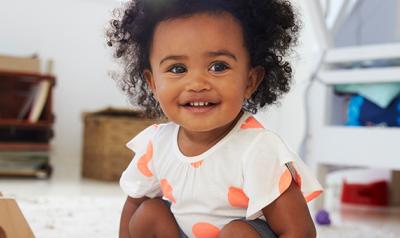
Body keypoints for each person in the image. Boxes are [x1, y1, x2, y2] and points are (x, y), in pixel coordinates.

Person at [106, 0, 323, 237]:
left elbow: (298, 231)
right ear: (153, 83)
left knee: (237, 233)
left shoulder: (257, 150)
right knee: (149, 214)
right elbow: (134, 205)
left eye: (218, 67)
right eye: (177, 69)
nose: (197, 84)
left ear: (250, 80)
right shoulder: (156, 144)